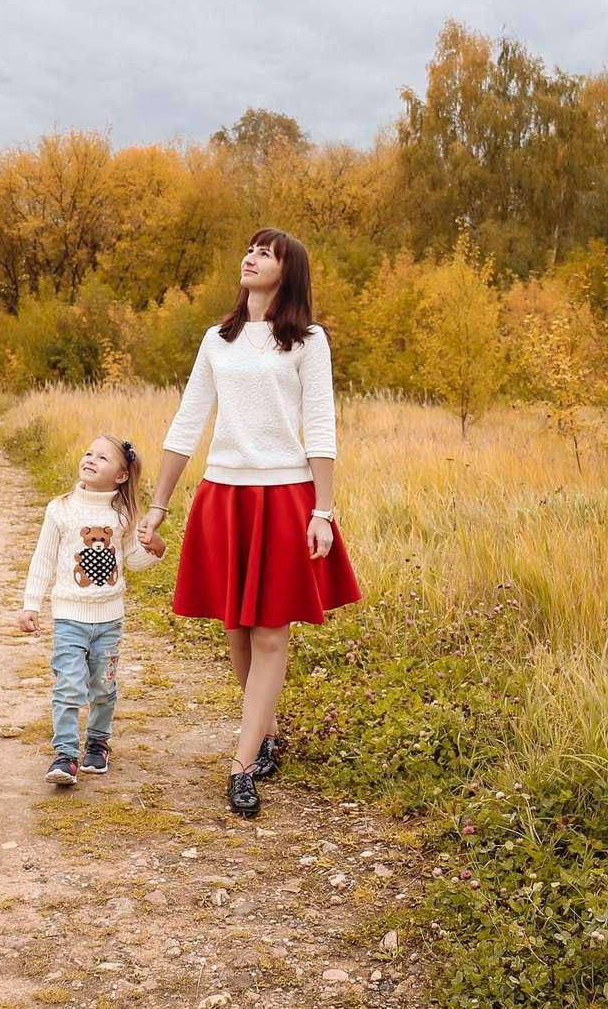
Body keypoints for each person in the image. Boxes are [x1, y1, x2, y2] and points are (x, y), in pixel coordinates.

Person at [139, 227, 360, 818]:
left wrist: (323, 511)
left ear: (288, 273)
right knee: (236, 627)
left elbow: (321, 428)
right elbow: (187, 425)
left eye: (266, 253)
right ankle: (264, 735)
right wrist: (158, 506)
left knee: (268, 631)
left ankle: (242, 766)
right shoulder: (219, 338)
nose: (252, 257)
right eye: (250, 249)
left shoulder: (308, 343)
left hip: (285, 495)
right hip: (225, 494)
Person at [18, 434, 166, 786]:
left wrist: (157, 548)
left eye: (102, 457)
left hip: (109, 620)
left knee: (103, 686)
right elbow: (43, 559)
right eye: (88, 453)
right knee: (68, 685)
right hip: (70, 616)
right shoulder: (61, 509)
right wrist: (31, 604)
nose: (90, 459)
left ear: (121, 475)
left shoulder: (123, 515)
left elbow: (133, 560)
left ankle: (98, 743)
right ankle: (65, 754)